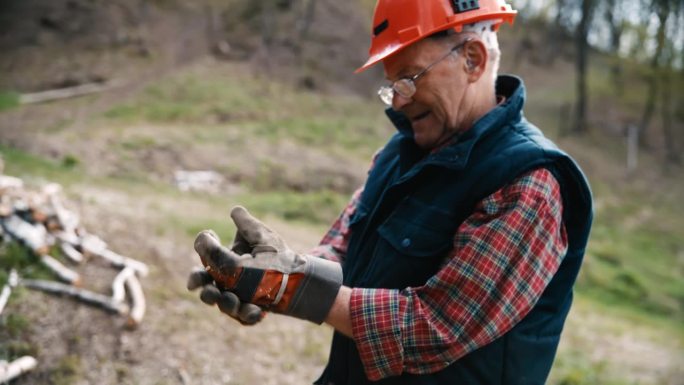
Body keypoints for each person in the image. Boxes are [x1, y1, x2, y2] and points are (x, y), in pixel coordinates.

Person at [187, 0, 593, 384]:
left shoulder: (530, 183)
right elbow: (343, 251)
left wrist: (293, 288)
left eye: (409, 79)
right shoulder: (397, 155)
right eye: (391, 84)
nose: (398, 101)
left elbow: (438, 325)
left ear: (473, 60)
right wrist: (269, 277)